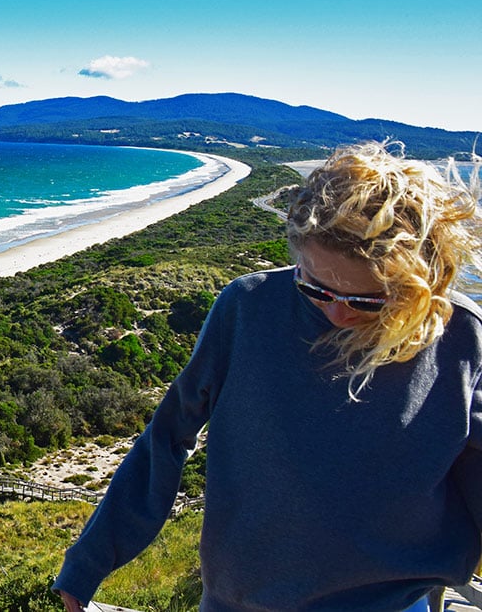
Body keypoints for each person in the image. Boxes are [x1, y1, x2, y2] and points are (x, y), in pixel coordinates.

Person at [54, 141, 482, 611]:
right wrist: (89, 562)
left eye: (366, 300)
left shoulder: (460, 333)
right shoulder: (248, 307)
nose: (338, 313)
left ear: (420, 277)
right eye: (315, 287)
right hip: (239, 602)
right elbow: (167, 438)